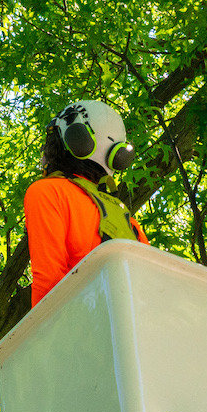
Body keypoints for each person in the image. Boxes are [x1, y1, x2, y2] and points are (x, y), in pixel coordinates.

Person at [24, 100, 149, 306]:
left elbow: (49, 285)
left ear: (75, 139)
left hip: (83, 328)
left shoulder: (48, 192)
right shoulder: (126, 218)